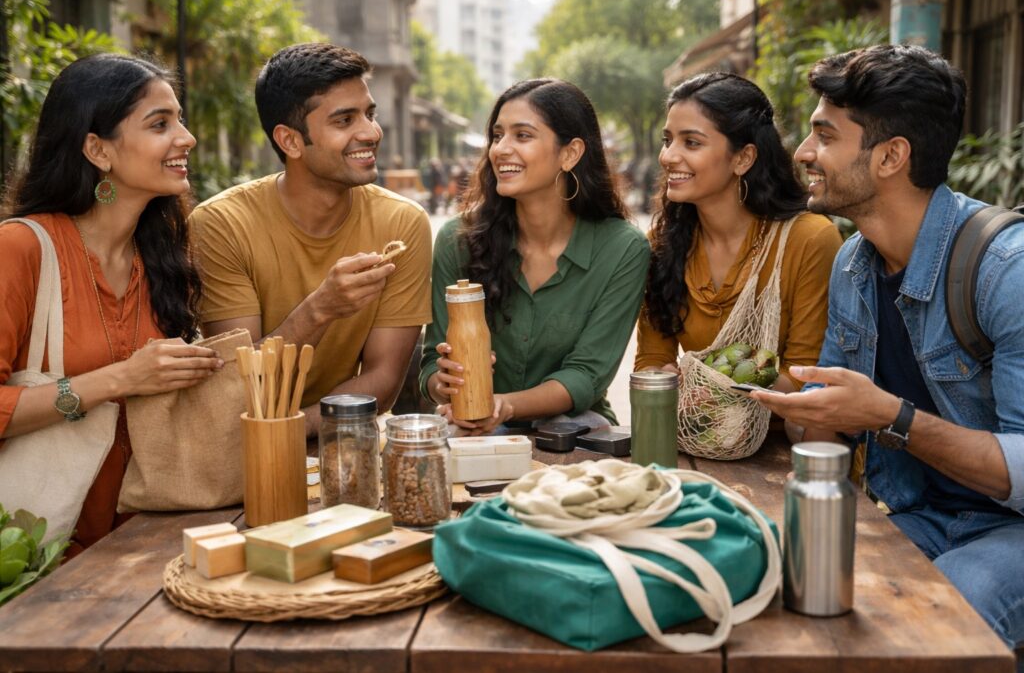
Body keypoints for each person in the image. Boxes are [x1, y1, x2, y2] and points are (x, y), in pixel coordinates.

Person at [751, 44, 1024, 653]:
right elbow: (832, 430)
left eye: (824, 135)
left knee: (928, 622)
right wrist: (794, 409)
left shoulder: (1008, 269)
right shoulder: (854, 264)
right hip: (916, 514)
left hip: (1012, 531)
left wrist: (889, 416)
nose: (802, 153)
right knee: (778, 586)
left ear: (891, 156)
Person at [0, 54, 222, 556]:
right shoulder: (20, 249)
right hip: (39, 557)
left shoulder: (163, 257)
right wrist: (120, 379)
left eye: (179, 120)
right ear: (98, 149)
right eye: (160, 124)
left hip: (150, 543)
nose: (185, 138)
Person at [190, 43, 432, 436]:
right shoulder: (221, 224)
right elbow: (240, 386)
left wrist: (293, 429)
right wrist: (320, 308)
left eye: (369, 114)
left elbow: (383, 381)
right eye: (344, 120)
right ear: (290, 141)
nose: (370, 133)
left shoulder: (402, 223)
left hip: (344, 437)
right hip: (243, 449)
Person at [420, 78, 650, 435]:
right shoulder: (457, 239)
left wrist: (506, 406)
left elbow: (587, 374)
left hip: (573, 429)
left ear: (570, 153)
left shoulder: (623, 248)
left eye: (522, 136)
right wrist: (444, 382)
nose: (501, 149)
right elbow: (432, 362)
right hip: (472, 425)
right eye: (498, 136)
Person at [635, 72, 843, 397]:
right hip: (696, 432)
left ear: (743, 158)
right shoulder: (662, 244)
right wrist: (661, 378)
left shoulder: (809, 239)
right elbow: (652, 358)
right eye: (667, 140)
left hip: (784, 437)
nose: (668, 156)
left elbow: (806, 377)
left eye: (691, 142)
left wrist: (709, 388)